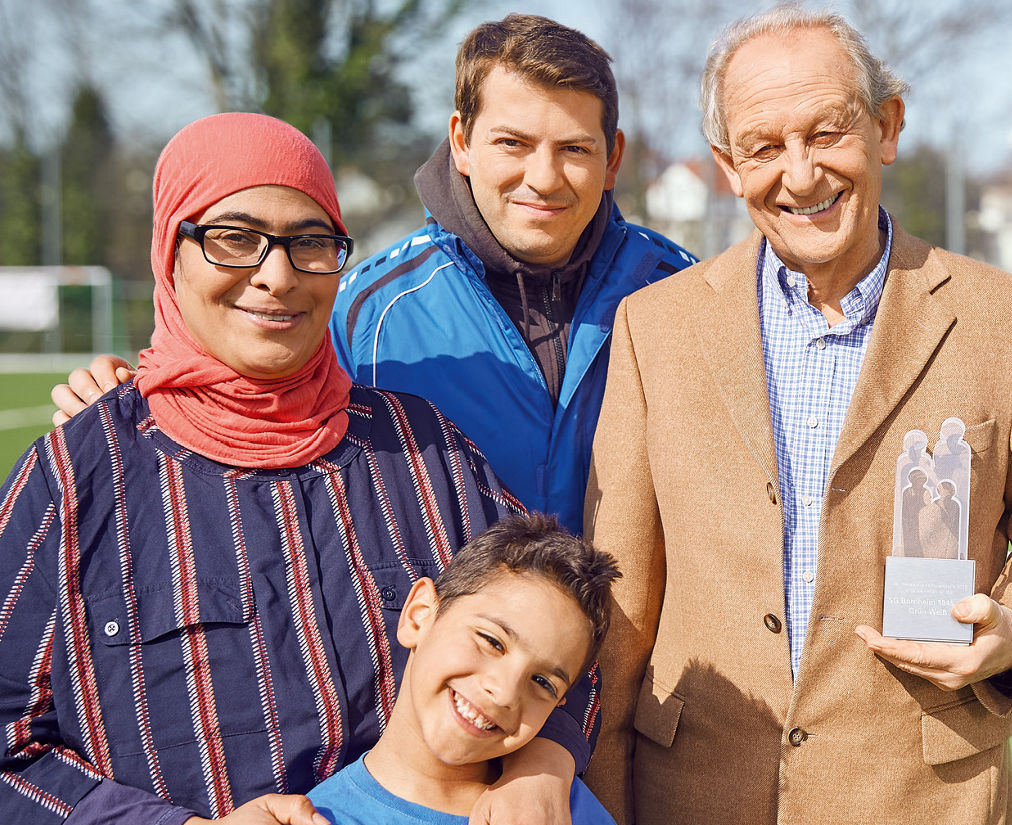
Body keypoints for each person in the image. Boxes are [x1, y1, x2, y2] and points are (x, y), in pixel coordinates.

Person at [0, 113, 590, 825]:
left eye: (310, 242)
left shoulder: (421, 451)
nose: (277, 275)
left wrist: (542, 764)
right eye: (233, 237)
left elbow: (568, 627)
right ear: (172, 251)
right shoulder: (80, 476)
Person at [582, 7, 1012, 825]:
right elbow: (620, 593)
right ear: (727, 166)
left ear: (887, 127)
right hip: (696, 802)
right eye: (763, 147)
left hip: (925, 813)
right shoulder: (654, 329)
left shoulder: (1004, 319)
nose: (799, 175)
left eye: (827, 132)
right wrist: (603, 810)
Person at [51, 14, 697, 536]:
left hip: (638, 680)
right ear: (462, 142)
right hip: (448, 685)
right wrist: (144, 398)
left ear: (613, 159)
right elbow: (256, 399)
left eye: (574, 149)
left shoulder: (685, 293)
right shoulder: (368, 311)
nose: (544, 177)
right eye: (513, 143)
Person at [306, 513, 634, 825]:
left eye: (542, 682)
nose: (505, 692)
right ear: (419, 615)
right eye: (492, 641)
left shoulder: (567, 821)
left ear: (559, 704)